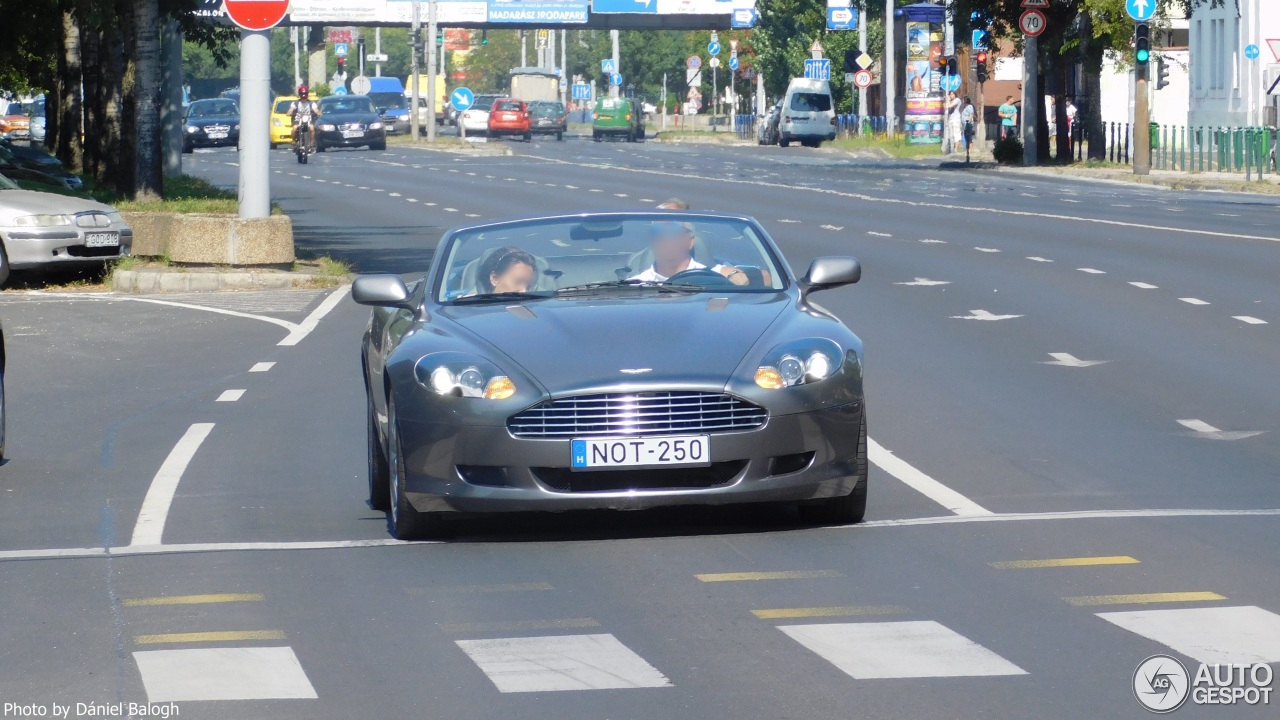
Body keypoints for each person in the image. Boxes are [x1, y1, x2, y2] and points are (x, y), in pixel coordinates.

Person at [288, 86, 320, 151]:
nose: (303, 95)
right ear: (299, 94)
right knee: (294, 128)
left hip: (308, 119)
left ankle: (312, 143)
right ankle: (294, 141)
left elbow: (316, 110)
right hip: (298, 119)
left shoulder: (311, 103)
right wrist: (290, 113)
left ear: (307, 94)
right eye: (302, 94)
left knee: (312, 128)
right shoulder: (295, 103)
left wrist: (319, 113)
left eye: (305, 94)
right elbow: (290, 110)